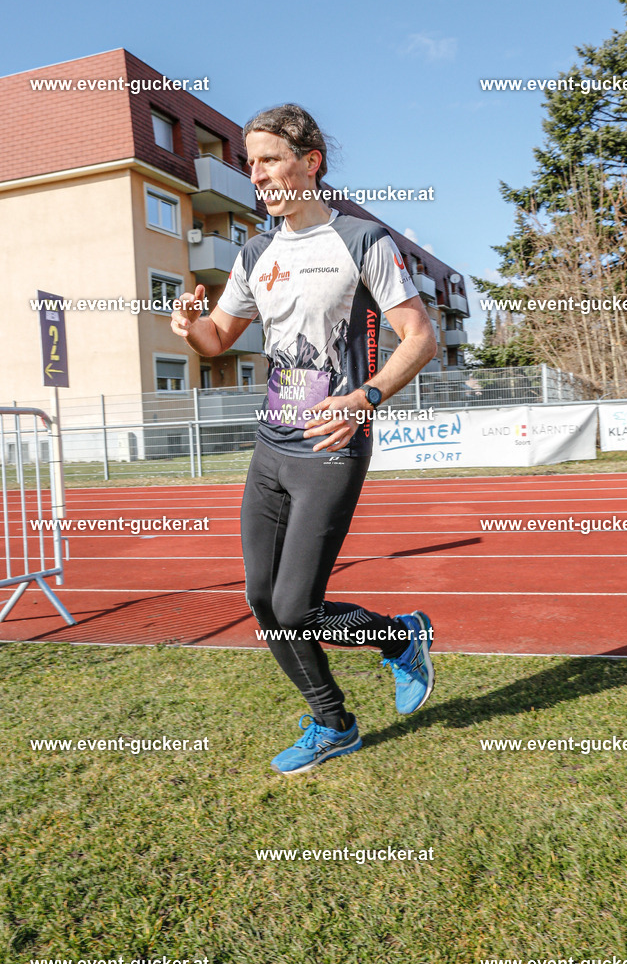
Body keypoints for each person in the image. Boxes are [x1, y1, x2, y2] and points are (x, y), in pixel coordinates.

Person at [171, 104, 437, 775]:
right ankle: (333, 723)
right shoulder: (254, 253)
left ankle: (399, 638)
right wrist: (189, 328)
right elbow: (216, 340)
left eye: (269, 160)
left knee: (295, 606)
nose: (256, 174)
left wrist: (365, 396)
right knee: (263, 601)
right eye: (249, 163)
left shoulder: (361, 240)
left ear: (309, 162)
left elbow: (420, 337)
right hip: (271, 447)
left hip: (330, 446)